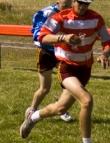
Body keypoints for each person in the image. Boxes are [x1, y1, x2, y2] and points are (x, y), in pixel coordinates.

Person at [20, 0, 110, 142]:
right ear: (74, 1)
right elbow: (42, 36)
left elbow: (108, 44)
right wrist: (63, 37)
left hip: (85, 69)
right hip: (67, 68)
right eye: (80, 2)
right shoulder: (61, 17)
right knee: (87, 101)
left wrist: (104, 54)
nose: (82, 7)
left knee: (60, 109)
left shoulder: (96, 18)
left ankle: (33, 117)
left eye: (86, 4)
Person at [22, 0, 73, 128]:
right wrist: (57, 37)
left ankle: (60, 106)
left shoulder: (72, 13)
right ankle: (32, 111)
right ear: (57, 2)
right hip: (46, 53)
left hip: (61, 52)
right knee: (45, 88)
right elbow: (37, 34)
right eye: (65, 5)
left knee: (70, 83)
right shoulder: (45, 13)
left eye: (69, 5)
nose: (67, 8)